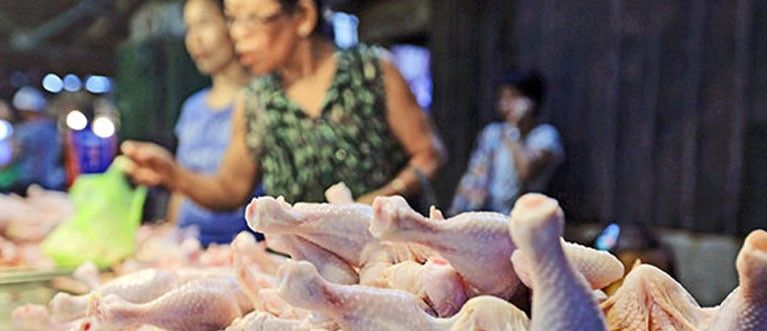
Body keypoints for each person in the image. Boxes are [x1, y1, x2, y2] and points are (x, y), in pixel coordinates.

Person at [122, 0, 444, 213]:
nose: (237, 36)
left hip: (389, 255)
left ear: (303, 16)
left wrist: (381, 200)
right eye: (233, 21)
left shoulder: (372, 71)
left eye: (251, 20)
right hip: (304, 270)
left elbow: (428, 154)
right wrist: (173, 174)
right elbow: (230, 189)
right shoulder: (255, 101)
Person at [169, 0, 253, 246]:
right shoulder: (191, 109)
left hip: (243, 249)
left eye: (204, 23)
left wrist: (168, 172)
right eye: (188, 28)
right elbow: (179, 192)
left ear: (232, 23)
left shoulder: (260, 103)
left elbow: (232, 191)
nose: (195, 39)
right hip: (190, 248)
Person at [448, 71, 564, 216]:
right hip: (485, 214)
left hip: (523, 218)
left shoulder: (545, 136)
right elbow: (473, 177)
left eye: (512, 97)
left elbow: (526, 171)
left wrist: (513, 130)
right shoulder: (492, 133)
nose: (505, 104)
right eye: (502, 98)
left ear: (530, 102)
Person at [2, 87, 65, 194]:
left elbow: (14, 154)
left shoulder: (25, 131)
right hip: (52, 182)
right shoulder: (51, 128)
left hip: (27, 184)